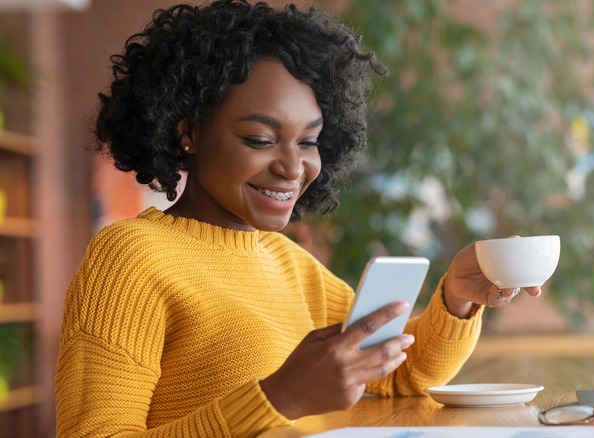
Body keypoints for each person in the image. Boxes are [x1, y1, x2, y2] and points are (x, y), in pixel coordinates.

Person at [54, 1, 541, 436]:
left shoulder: (290, 263)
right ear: (189, 134)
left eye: (308, 141)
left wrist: (457, 298)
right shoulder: (129, 259)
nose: (293, 167)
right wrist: (278, 399)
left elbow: (396, 374)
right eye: (261, 140)